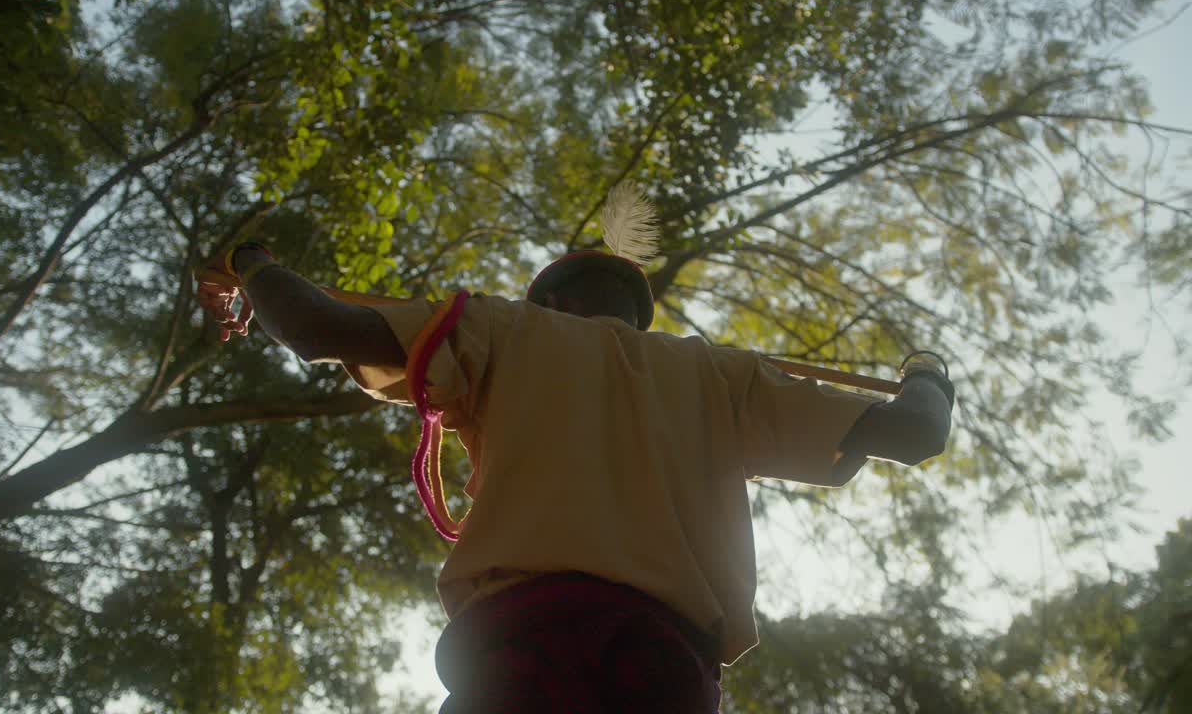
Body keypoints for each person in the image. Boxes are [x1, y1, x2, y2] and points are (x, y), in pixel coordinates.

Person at [195, 228, 953, 713]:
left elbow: (314, 326)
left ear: (551, 298)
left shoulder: (495, 327)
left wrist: (250, 260)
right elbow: (918, 434)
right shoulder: (721, 374)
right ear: (636, 311)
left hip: (517, 653)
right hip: (664, 672)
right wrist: (927, 373)